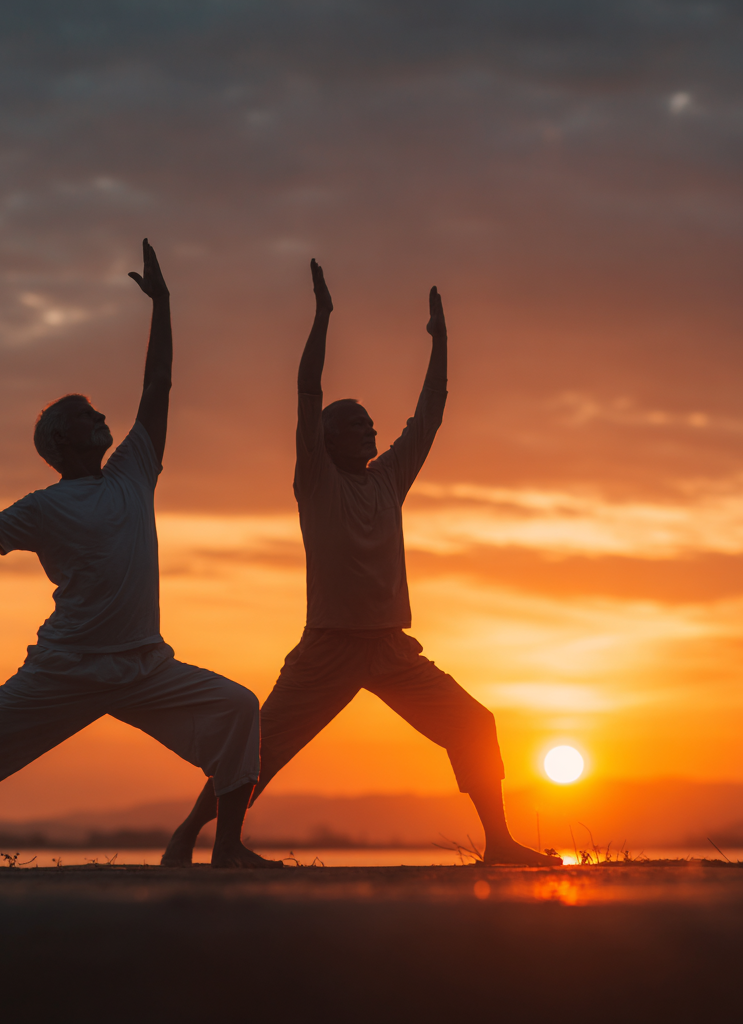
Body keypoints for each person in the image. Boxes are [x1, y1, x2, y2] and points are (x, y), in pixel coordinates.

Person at [0, 239, 281, 871]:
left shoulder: (132, 473)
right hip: (65, 667)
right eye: (89, 416)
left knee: (236, 708)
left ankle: (225, 846)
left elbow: (158, 385)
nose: (103, 419)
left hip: (144, 666)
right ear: (63, 441)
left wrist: (163, 305)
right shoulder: (42, 508)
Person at [163, 260, 560, 867]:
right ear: (325, 438)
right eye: (355, 423)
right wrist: (322, 319)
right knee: (260, 749)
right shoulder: (316, 479)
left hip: (391, 647)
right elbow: (306, 393)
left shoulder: (387, 481)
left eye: (371, 424)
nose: (370, 430)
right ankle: (199, 838)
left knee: (475, 725)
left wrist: (441, 343)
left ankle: (499, 843)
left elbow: (430, 414)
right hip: (329, 646)